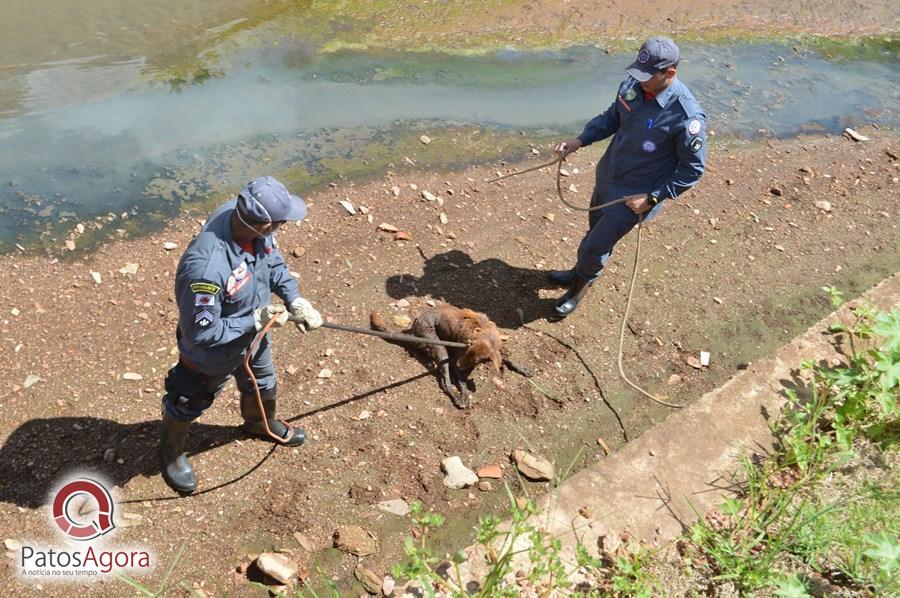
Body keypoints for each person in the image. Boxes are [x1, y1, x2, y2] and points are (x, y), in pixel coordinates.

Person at [159, 176, 323, 493]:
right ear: (263, 224)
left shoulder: (246, 222)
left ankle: (259, 423)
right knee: (189, 399)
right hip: (212, 354)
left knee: (262, 381)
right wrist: (254, 320)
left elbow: (272, 262)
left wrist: (294, 298)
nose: (283, 227)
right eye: (281, 222)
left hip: (255, 336)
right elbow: (201, 334)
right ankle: (170, 453)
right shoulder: (206, 269)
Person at [549, 36, 707, 317]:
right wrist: (580, 140)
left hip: (634, 198)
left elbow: (692, 169)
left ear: (669, 73)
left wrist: (653, 197)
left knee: (595, 246)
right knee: (593, 236)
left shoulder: (685, 116)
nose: (639, 80)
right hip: (608, 177)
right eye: (638, 72)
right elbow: (612, 118)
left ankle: (577, 291)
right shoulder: (634, 86)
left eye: (647, 76)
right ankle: (578, 272)